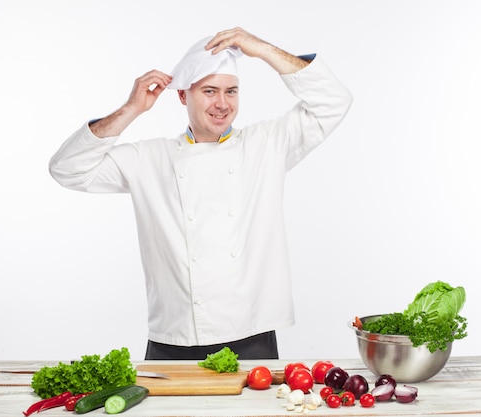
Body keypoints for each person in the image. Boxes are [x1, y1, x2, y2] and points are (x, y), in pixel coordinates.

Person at [49, 27, 352, 360]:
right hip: (174, 336)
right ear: (183, 96)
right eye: (209, 91)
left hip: (251, 332)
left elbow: (333, 101)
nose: (222, 104)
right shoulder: (149, 158)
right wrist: (131, 109)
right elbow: (67, 169)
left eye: (231, 91)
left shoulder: (267, 144)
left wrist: (262, 49)